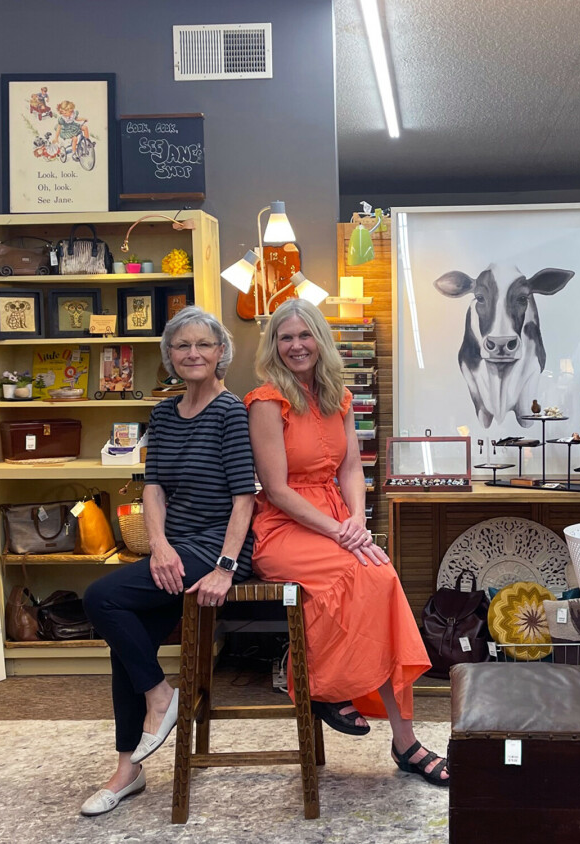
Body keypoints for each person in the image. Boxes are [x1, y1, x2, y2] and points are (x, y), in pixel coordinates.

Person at [246, 298, 448, 786]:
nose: (295, 345)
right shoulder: (266, 402)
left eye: (303, 335)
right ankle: (321, 685)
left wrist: (357, 518)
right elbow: (275, 489)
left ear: (320, 339)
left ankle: (404, 740)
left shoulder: (339, 396)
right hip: (283, 528)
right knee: (357, 575)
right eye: (284, 337)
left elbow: (352, 469)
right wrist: (341, 532)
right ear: (274, 346)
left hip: (337, 519)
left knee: (382, 577)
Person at [81, 307, 256, 816]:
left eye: (204, 344)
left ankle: (161, 699)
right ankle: (127, 768)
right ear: (170, 357)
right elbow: (152, 488)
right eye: (183, 346)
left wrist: (224, 566)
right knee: (124, 633)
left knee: (101, 596)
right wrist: (157, 544)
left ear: (221, 352)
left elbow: (244, 498)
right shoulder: (161, 415)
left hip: (216, 549)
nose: (194, 354)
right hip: (175, 548)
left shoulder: (231, 413)